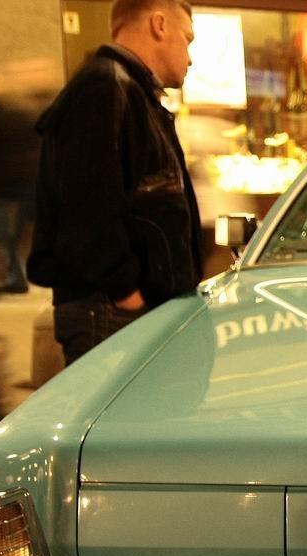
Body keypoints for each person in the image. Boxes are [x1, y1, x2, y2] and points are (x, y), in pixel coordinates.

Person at [27, 0, 201, 365]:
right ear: (159, 25)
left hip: (122, 312)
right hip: (110, 315)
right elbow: (86, 209)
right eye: (187, 40)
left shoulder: (127, 91)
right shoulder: (105, 88)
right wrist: (128, 296)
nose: (190, 58)